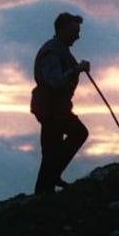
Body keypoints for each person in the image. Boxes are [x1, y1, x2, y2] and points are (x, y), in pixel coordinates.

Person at [30, 12, 90, 195]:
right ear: (62, 30)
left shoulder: (58, 49)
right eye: (74, 31)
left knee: (51, 148)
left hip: (52, 108)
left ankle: (45, 188)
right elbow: (53, 81)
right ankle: (50, 178)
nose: (78, 36)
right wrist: (76, 70)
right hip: (51, 109)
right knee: (78, 133)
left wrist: (75, 69)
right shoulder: (53, 52)